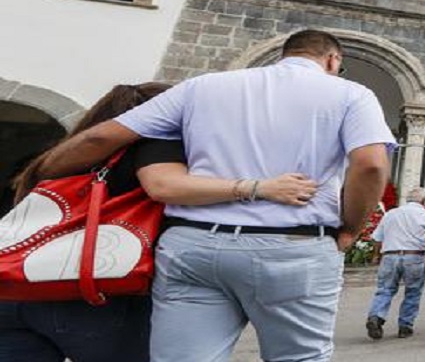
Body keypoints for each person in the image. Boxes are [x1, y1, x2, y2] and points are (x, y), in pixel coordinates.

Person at [28, 29, 394, 361]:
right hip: (293, 246)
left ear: (281, 55)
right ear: (333, 60)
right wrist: (350, 230)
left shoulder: (201, 86)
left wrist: (39, 178)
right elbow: (372, 165)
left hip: (194, 244)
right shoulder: (351, 93)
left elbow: (99, 137)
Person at [1, 83, 318, 362]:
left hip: (16, 292)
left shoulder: (63, 157)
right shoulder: (157, 144)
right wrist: (256, 188)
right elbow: (162, 186)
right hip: (97, 297)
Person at [366, 187, 425, 340]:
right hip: (414, 256)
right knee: (413, 291)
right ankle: (405, 326)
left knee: (384, 289)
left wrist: (376, 256)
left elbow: (377, 238)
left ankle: (376, 316)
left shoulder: (391, 214)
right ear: (424, 201)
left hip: (390, 255)